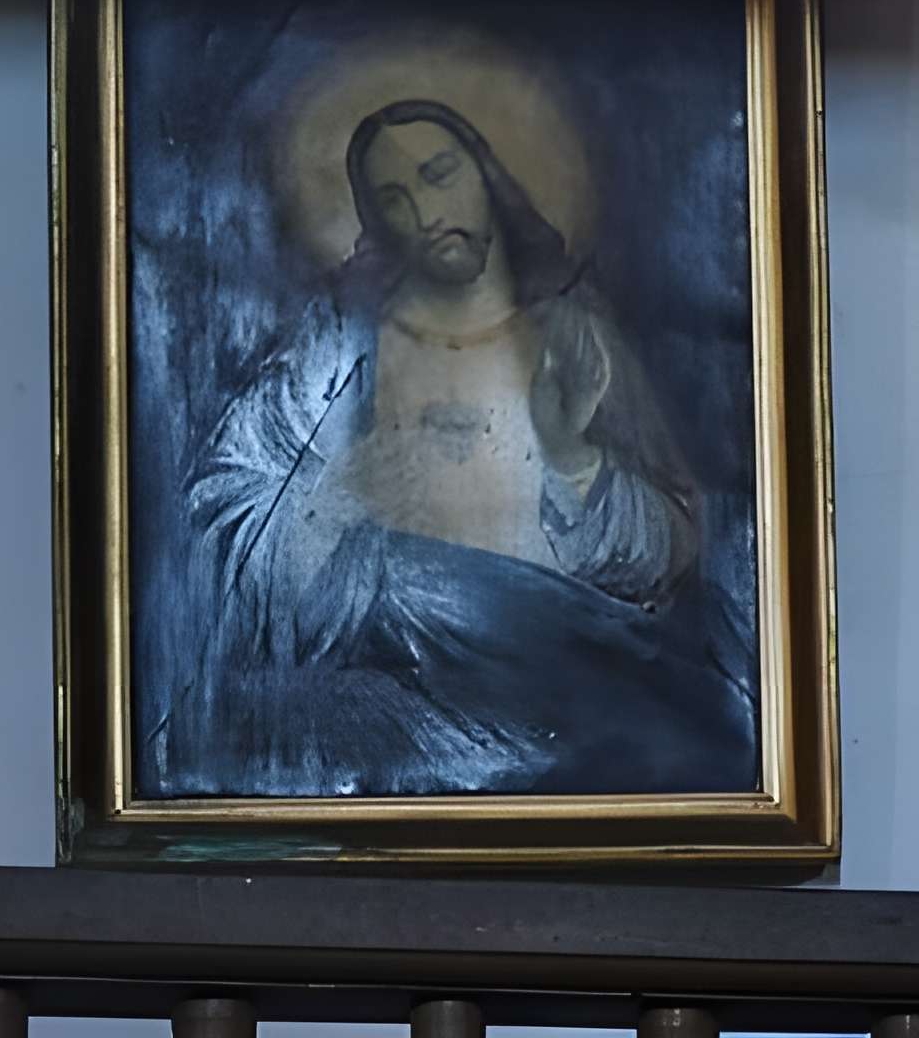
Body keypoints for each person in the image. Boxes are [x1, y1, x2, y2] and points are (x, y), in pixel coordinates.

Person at [157, 99, 754, 798]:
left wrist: (571, 460)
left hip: (569, 679)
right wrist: (338, 498)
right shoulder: (336, 350)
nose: (423, 212)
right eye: (393, 199)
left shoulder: (572, 337)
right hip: (394, 703)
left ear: (488, 176)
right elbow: (220, 518)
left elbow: (671, 558)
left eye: (440, 175)